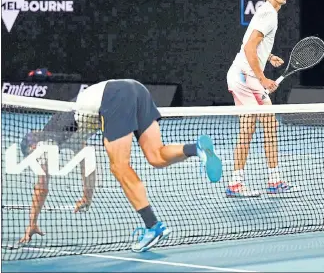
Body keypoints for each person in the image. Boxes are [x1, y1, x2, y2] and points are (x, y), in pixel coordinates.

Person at [73, 79, 222, 252]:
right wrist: (86, 197)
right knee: (156, 156)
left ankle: (152, 226)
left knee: (119, 166)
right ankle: (196, 149)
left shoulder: (64, 123)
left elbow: (82, 157)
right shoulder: (81, 117)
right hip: (138, 89)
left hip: (114, 95)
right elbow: (85, 157)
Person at [226, 0, 293, 197]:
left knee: (270, 126)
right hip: (244, 77)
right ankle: (235, 183)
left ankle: (274, 180)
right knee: (247, 129)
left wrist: (269, 55)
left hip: (249, 76)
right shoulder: (268, 13)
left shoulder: (267, 12)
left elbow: (251, 43)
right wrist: (263, 79)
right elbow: (248, 50)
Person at [19, 99, 99, 244]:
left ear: (33, 148)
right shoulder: (63, 134)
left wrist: (32, 222)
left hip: (92, 113)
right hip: (90, 107)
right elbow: (87, 163)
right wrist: (87, 197)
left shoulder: (45, 145)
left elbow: (41, 188)